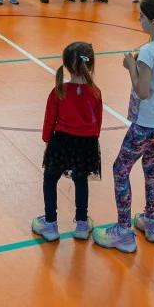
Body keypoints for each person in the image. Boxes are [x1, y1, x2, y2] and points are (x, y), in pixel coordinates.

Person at [93, 0, 154, 253]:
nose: (139, 19)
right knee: (150, 165)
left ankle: (123, 231)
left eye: (142, 17)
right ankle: (151, 222)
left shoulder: (147, 51)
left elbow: (142, 90)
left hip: (148, 124)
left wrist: (130, 65)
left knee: (120, 169)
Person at [31, 42, 102, 242]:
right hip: (85, 144)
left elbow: (49, 119)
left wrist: (47, 141)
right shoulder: (95, 92)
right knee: (81, 181)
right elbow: (98, 123)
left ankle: (51, 224)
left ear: (66, 65)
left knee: (50, 178)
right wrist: (91, 141)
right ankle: (81, 224)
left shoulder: (59, 91)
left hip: (61, 142)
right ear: (91, 65)